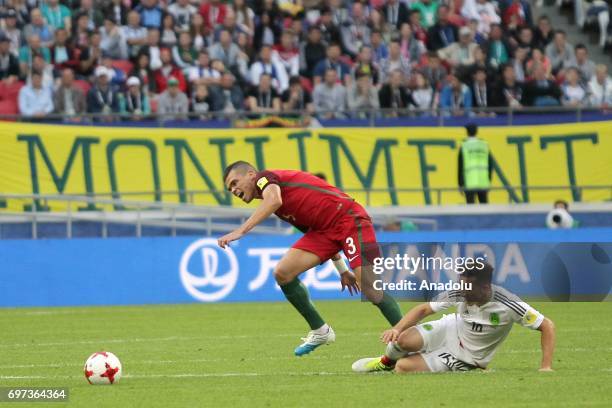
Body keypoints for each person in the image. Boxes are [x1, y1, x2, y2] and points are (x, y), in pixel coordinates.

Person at [218, 162, 404, 356]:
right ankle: (320, 331)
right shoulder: (280, 206)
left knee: (370, 289)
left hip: (349, 218)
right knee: (283, 273)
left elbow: (273, 200)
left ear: (250, 174)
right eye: (230, 188)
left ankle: (413, 337)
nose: (233, 190)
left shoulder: (265, 178)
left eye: (234, 183)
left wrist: (240, 231)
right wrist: (342, 270)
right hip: (324, 232)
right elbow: (310, 229)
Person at [352, 262, 556, 374]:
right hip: (450, 329)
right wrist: (396, 328)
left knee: (403, 368)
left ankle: (397, 363)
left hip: (468, 357)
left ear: (485, 287)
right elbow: (424, 309)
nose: (461, 290)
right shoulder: (460, 290)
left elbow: (547, 325)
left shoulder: (509, 303)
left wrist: (545, 366)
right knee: (403, 339)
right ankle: (385, 362)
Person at [458, 123, 492, 204]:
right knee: (485, 209)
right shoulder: (484, 145)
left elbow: (460, 167)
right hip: (483, 180)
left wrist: (460, 184)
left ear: (467, 132)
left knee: (471, 210)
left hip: (469, 181)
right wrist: (489, 179)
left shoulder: (464, 146)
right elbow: (490, 164)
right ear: (476, 132)